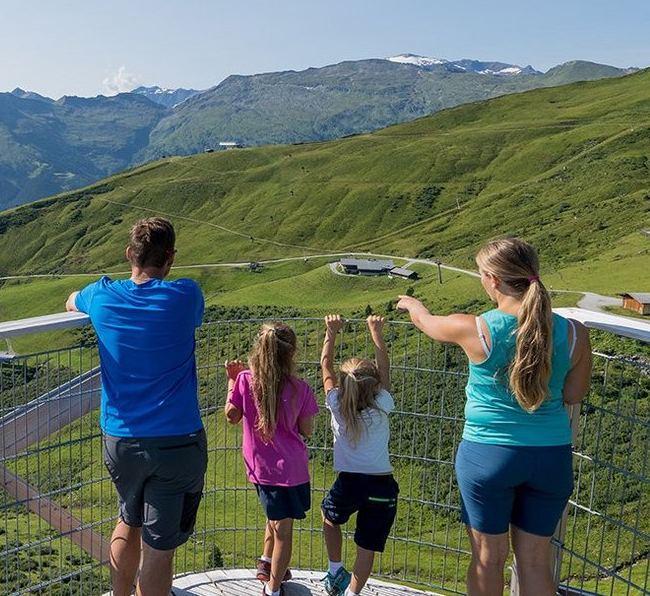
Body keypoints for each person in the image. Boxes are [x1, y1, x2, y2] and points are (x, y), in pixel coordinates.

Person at [395, 238, 591, 596]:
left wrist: (411, 304)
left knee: (489, 557)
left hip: (488, 454)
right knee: (534, 562)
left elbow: (426, 323)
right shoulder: (575, 333)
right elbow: (573, 395)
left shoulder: (476, 328)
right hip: (551, 456)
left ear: (492, 279)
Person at [66, 217, 206, 596]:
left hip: (121, 439)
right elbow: (194, 317)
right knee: (159, 551)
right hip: (178, 441)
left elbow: (70, 302)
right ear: (170, 258)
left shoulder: (102, 295)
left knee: (128, 519)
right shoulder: (186, 295)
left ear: (130, 254)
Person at [223, 322, 319, 596]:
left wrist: (231, 379)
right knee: (283, 530)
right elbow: (306, 430)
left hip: (261, 467)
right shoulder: (300, 388)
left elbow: (231, 416)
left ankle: (269, 572)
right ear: (291, 354)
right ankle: (273, 585)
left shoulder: (245, 380)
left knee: (276, 520)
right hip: (293, 468)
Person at [319, 314, 396, 596]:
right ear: (375, 385)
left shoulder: (336, 404)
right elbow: (384, 369)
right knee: (366, 546)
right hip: (381, 485)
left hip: (350, 481)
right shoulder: (382, 404)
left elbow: (325, 366)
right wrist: (376, 331)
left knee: (329, 517)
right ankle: (353, 593)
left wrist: (331, 332)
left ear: (343, 384)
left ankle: (335, 568)